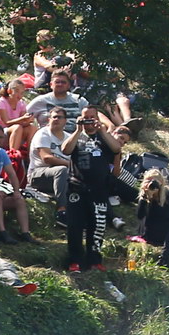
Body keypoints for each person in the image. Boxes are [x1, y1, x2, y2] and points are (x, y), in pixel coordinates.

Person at [63, 106, 118, 271]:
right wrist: (78, 130)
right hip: (77, 188)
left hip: (99, 189)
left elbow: (116, 149)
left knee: (98, 226)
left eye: (92, 117)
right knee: (75, 226)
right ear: (81, 118)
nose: (89, 121)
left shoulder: (104, 137)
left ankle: (95, 261)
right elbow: (65, 150)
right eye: (86, 117)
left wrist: (102, 130)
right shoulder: (76, 136)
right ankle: (75, 261)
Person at [0, 77, 38, 153]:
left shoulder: (21, 104)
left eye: (22, 93)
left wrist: (28, 120)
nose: (19, 95)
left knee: (32, 128)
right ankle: (13, 155)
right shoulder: (1, 102)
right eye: (16, 91)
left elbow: (23, 122)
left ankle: (30, 156)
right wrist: (22, 118)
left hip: (15, 131)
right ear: (9, 91)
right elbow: (6, 122)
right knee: (17, 128)